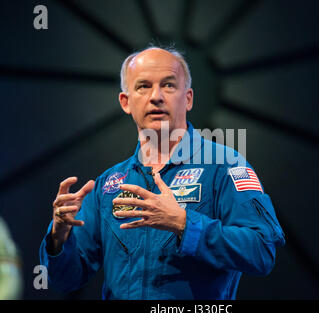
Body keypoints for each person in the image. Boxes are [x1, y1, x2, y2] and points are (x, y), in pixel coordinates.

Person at [39, 46, 285, 299]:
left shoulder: (226, 165)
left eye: (168, 85)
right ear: (126, 102)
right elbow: (65, 280)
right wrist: (58, 236)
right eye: (143, 86)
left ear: (188, 98)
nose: (156, 96)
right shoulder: (109, 184)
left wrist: (184, 224)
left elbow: (262, 251)